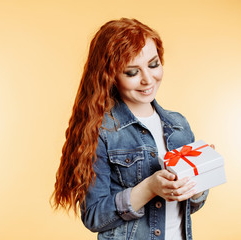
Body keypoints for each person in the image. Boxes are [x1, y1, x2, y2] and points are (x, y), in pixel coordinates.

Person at [52, 18, 209, 240]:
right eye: (132, 72)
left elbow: (190, 206)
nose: (147, 79)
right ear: (111, 76)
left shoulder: (179, 124)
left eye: (153, 64)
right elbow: (94, 217)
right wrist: (150, 187)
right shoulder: (102, 130)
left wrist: (199, 182)